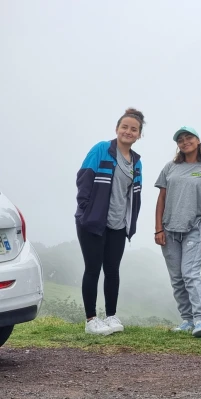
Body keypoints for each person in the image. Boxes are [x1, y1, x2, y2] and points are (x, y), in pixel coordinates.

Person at [74, 108, 145, 335]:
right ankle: (91, 320)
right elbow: (84, 178)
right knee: (93, 269)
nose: (128, 131)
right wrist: (85, 212)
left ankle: (111, 316)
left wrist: (129, 223)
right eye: (124, 127)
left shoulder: (136, 162)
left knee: (112, 270)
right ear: (117, 129)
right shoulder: (101, 149)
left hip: (117, 224)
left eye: (134, 129)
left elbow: (134, 196)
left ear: (139, 135)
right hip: (93, 222)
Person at [155, 126, 201, 338]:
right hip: (169, 228)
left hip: (196, 227)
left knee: (190, 273)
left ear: (198, 141)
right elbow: (161, 199)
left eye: (188, 137)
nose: (184, 142)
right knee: (177, 277)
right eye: (180, 140)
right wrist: (158, 229)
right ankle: (187, 319)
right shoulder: (170, 168)